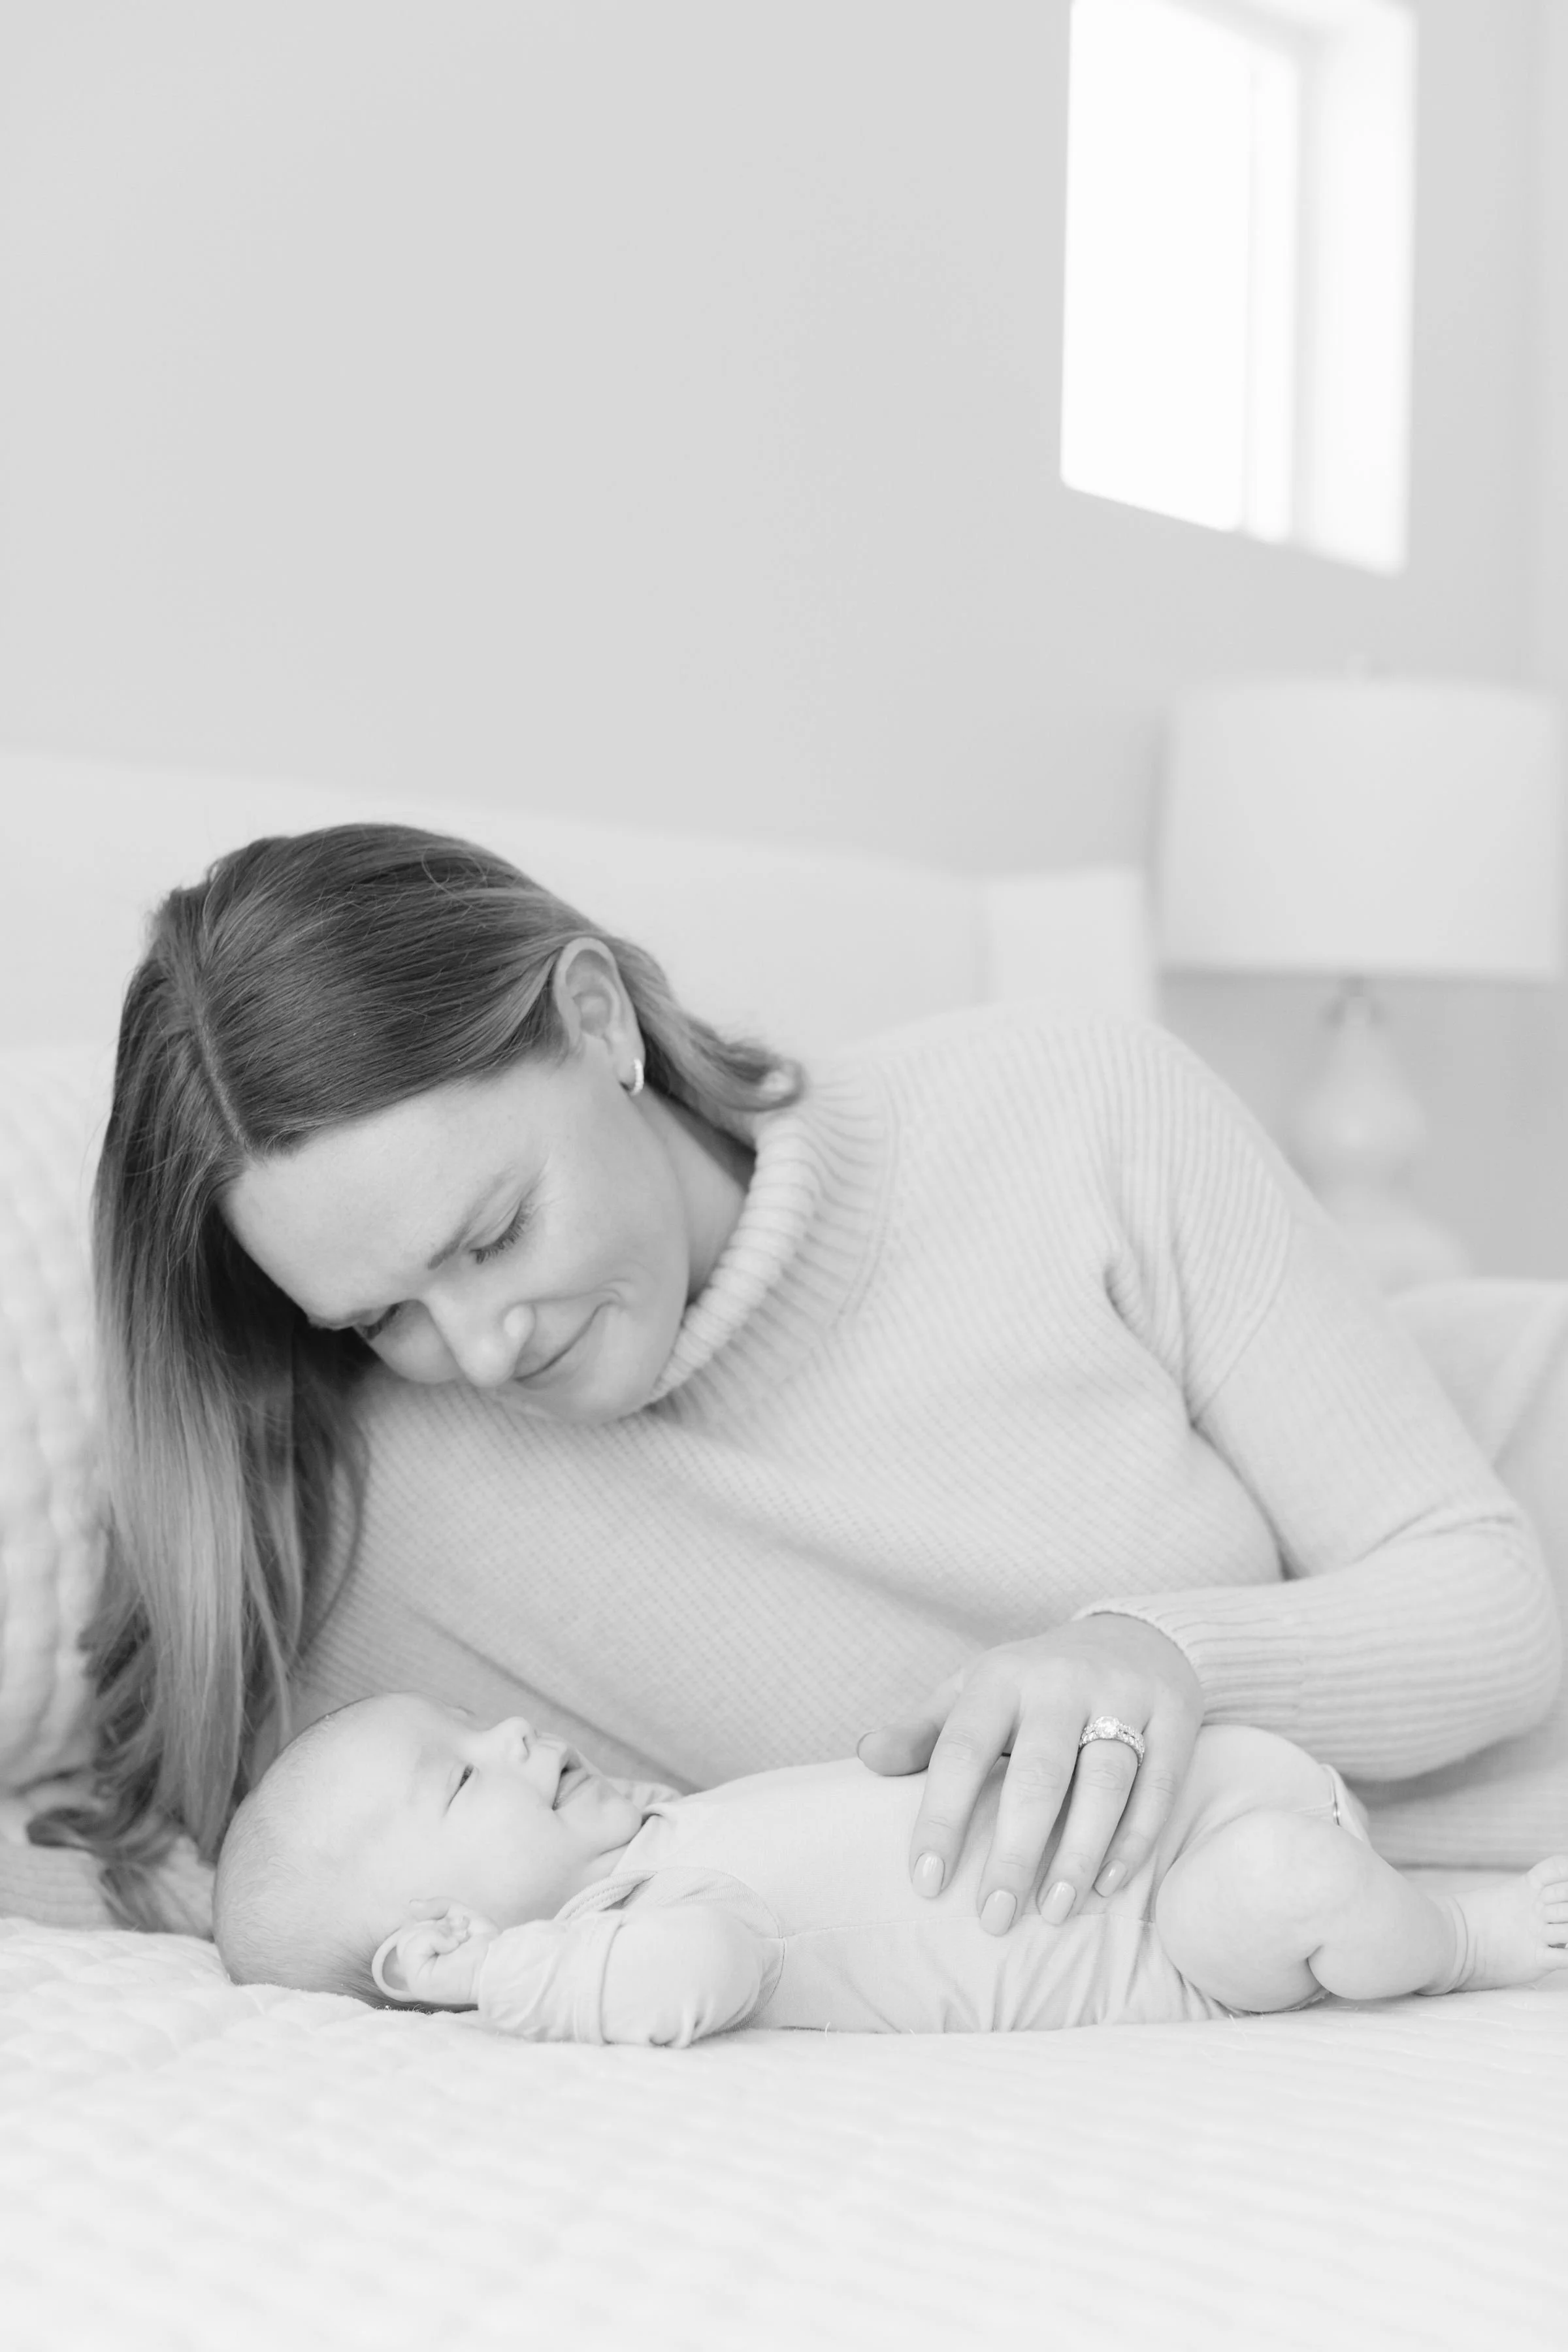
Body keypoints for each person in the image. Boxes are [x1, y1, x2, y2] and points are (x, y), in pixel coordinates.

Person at [24, 823, 1561, 1939]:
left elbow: (1487, 1604)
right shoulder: (388, 1526)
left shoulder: (1074, 1112)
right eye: (381, 1318)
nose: (483, 1346)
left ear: (597, 1023)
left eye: (495, 1232)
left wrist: (1158, 1656)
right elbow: (167, 1861)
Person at [214, 1693, 1568, 2042]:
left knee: (1287, 1859)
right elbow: (706, 1974)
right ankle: (1475, 1938)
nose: (506, 1733)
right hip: (1186, 1929)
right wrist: (518, 1976)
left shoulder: (671, 1835)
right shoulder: (648, 1928)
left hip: (1172, 1789)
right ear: (439, 1943)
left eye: (470, 1719)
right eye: (462, 1773)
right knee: (1290, 1879)